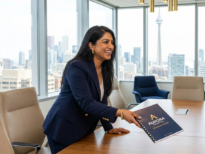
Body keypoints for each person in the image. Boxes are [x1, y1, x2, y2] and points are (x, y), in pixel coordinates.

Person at [43, 26, 141, 154]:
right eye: (105, 42)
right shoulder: (77, 66)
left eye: (112, 42)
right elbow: (87, 103)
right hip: (64, 129)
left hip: (84, 129)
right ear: (91, 46)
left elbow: (101, 101)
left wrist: (108, 127)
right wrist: (121, 112)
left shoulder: (103, 69)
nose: (110, 46)